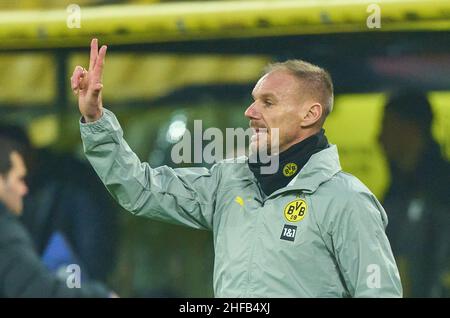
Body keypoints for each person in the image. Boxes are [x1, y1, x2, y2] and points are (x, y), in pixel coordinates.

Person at [71, 38, 402, 297]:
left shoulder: (347, 200)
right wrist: (96, 120)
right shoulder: (228, 181)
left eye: (267, 102)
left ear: (310, 115)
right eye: (254, 99)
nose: (249, 111)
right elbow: (140, 189)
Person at [0, 136, 113, 297]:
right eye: (19, 179)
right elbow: (39, 292)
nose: (24, 189)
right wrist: (101, 295)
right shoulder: (4, 234)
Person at [379, 90, 450, 297]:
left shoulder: (440, 189)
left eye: (387, 126)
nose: (379, 137)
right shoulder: (398, 187)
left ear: (410, 128)